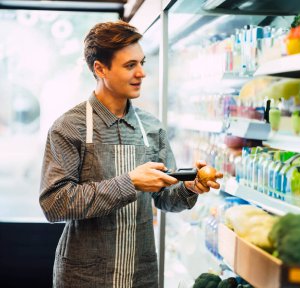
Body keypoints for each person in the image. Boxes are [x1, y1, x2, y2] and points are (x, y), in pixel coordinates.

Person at [39, 20, 223, 288]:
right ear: (100, 68)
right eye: (130, 65)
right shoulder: (70, 127)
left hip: (141, 276)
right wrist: (129, 183)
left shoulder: (151, 127)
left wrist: (190, 188)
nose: (141, 73)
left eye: (142, 63)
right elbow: (54, 204)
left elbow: (165, 199)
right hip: (84, 278)